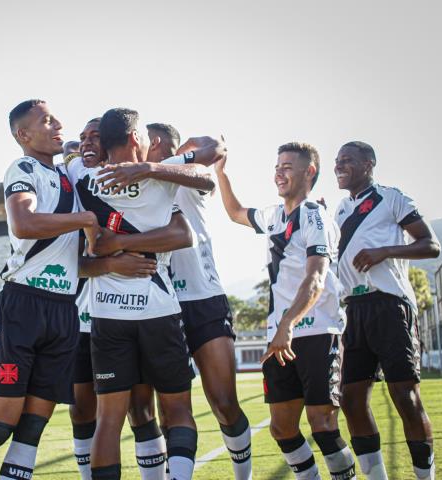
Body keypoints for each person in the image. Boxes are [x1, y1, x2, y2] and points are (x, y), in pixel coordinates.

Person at [67, 108, 225, 480]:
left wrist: (80, 151)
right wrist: (152, 168)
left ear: (103, 143)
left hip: (107, 314)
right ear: (137, 138)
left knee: (108, 420)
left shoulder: (82, 178)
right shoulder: (162, 176)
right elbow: (210, 161)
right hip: (159, 310)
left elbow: (72, 156)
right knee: (178, 411)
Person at [0, 99, 99, 480]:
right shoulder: (22, 167)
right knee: (0, 424)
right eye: (46, 121)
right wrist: (84, 218)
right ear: (24, 134)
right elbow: (23, 222)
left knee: (34, 426)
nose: (58, 125)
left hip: (64, 310)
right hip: (23, 305)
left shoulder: (71, 176)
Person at [111, 122, 252, 479]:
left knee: (223, 403)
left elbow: (216, 145)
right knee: (162, 407)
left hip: (203, 298)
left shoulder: (183, 171)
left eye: (142, 141)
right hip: (157, 304)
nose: (136, 148)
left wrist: (157, 164)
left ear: (154, 143)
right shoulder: (135, 185)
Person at [215, 142, 356, 479]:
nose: (279, 172)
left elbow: (317, 276)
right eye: (277, 166)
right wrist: (220, 173)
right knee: (282, 428)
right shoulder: (273, 216)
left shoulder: (314, 215)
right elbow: (236, 213)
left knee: (322, 425)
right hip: (281, 337)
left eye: (287, 166)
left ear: (309, 172)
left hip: (317, 331)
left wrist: (288, 323)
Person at [333, 141, 440, 480]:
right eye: (337, 161)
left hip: (390, 305)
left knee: (404, 397)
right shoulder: (338, 210)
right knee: (350, 400)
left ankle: (426, 475)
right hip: (353, 311)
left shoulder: (392, 198)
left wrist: (385, 251)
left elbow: (430, 244)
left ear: (369, 163)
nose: (339, 165)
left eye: (347, 160)